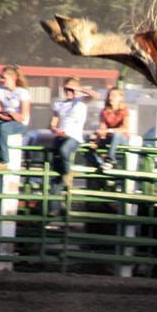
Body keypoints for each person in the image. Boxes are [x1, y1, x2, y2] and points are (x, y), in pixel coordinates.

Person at [48, 77, 95, 215]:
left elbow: (95, 95)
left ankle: (67, 173)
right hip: (61, 136)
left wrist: (79, 90)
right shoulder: (59, 104)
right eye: (66, 89)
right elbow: (53, 123)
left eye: (71, 89)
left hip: (74, 137)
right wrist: (55, 129)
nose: (68, 92)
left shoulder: (81, 101)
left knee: (64, 150)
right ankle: (56, 208)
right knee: (56, 174)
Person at [86, 87, 130, 172]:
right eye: (109, 95)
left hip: (122, 138)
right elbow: (102, 129)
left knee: (116, 135)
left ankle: (110, 159)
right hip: (109, 137)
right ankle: (100, 164)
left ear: (120, 98)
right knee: (89, 142)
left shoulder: (124, 110)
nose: (110, 98)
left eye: (114, 95)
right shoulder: (105, 111)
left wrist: (109, 131)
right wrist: (96, 139)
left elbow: (125, 128)